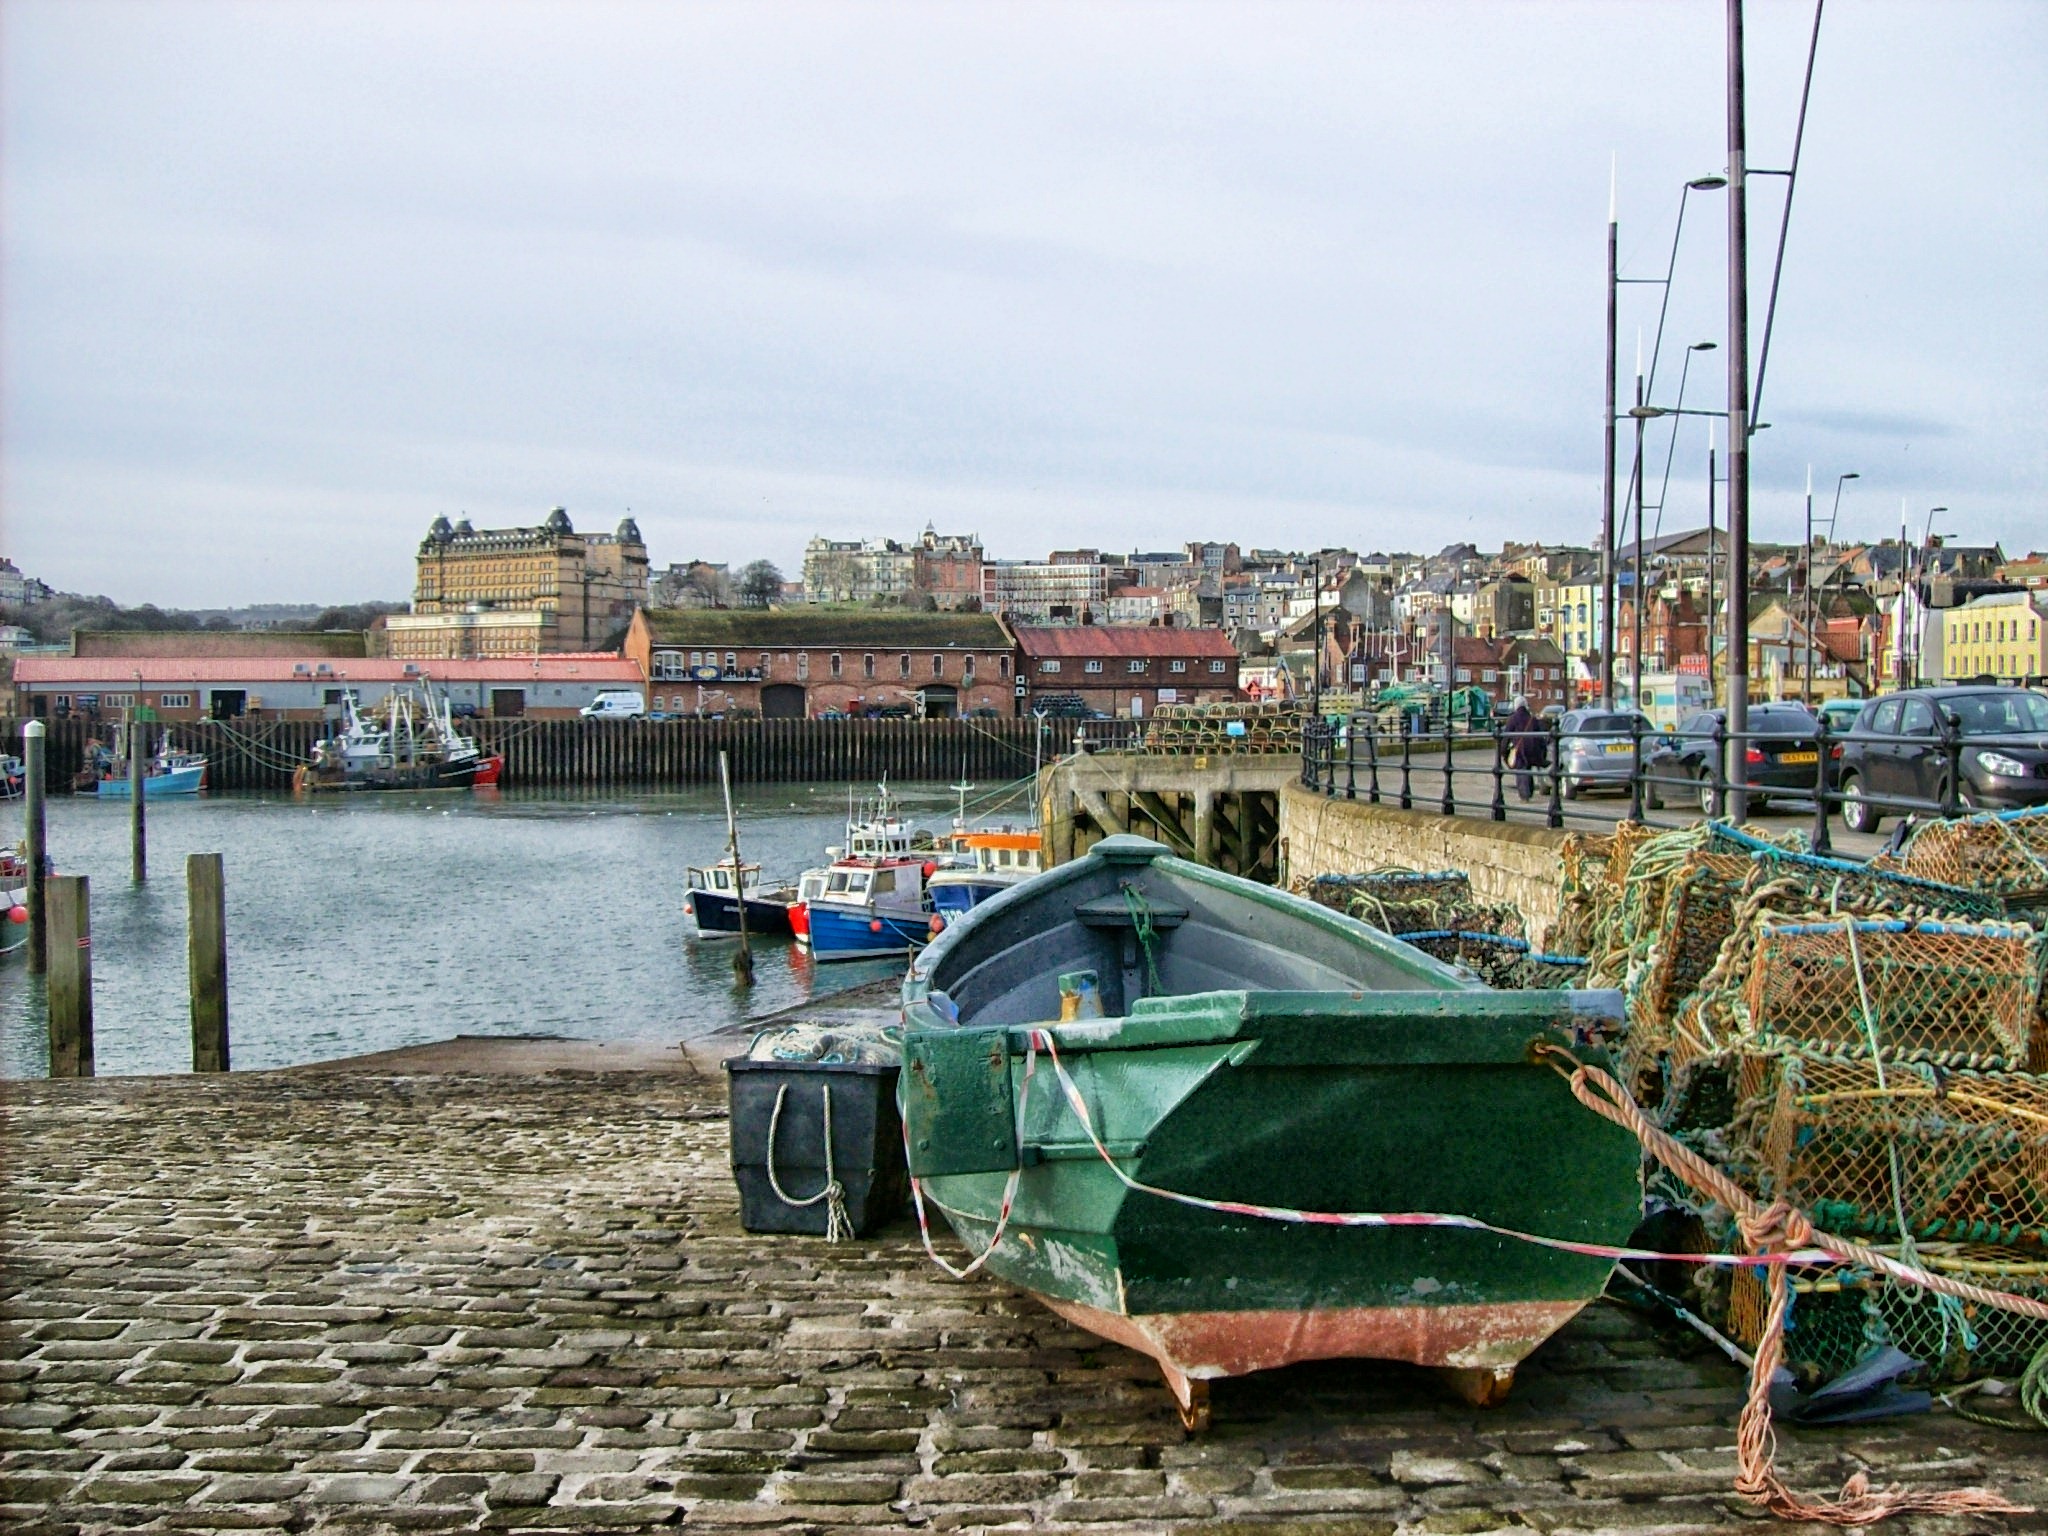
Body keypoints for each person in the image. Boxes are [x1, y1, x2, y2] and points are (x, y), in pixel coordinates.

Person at [1504, 696, 1546, 801]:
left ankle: (1525, 794)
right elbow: (1540, 736)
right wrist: (1542, 752)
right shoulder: (1532, 718)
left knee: (1521, 770)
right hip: (1532, 749)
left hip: (1519, 750)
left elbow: (1506, 737)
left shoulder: (1513, 719)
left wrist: (1503, 752)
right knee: (1527, 769)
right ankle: (1529, 791)